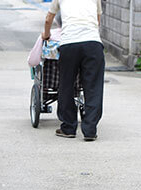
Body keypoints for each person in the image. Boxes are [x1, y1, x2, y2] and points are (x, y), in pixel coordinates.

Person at [42, 0, 105, 141]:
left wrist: (46, 35)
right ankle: (90, 130)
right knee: (93, 87)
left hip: (69, 44)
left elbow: (48, 20)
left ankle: (68, 128)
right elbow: (98, 20)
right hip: (92, 43)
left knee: (66, 85)